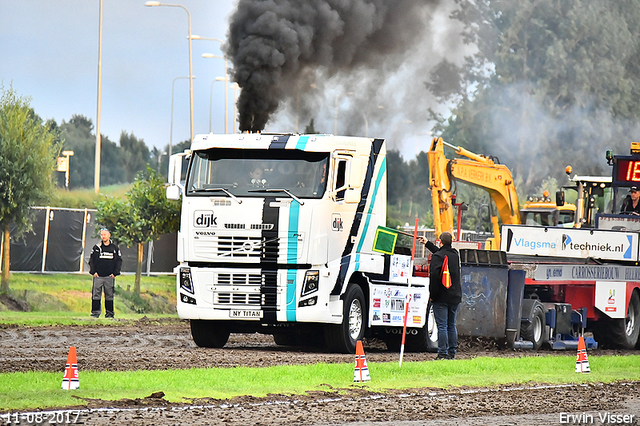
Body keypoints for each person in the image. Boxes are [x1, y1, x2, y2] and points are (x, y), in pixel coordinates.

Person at [417, 232, 462, 360]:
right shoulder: (455, 255)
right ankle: (452, 352)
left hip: (441, 297)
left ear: (440, 242)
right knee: (451, 325)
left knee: (441, 326)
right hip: (455, 296)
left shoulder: (437, 257)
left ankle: (442, 353)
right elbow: (442, 254)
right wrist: (427, 244)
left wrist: (432, 295)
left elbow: (435, 279)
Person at [88, 228, 122, 318]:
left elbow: (119, 261)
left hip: (109, 276)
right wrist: (93, 272)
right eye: (102, 235)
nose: (103, 236)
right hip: (98, 276)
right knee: (96, 295)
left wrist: (115, 273)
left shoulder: (114, 248)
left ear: (109, 235)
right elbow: (91, 260)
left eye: (105, 235)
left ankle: (109, 314)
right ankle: (95, 313)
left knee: (109, 295)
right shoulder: (97, 248)